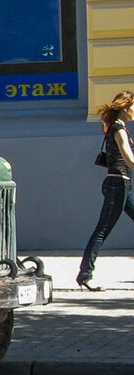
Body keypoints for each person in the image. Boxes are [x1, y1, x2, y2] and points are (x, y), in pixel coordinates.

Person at [77, 91, 134, 291]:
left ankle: (85, 274)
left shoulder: (119, 127)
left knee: (102, 231)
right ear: (125, 107)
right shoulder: (118, 129)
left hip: (123, 186)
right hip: (117, 186)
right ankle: (85, 275)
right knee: (102, 232)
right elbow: (129, 159)